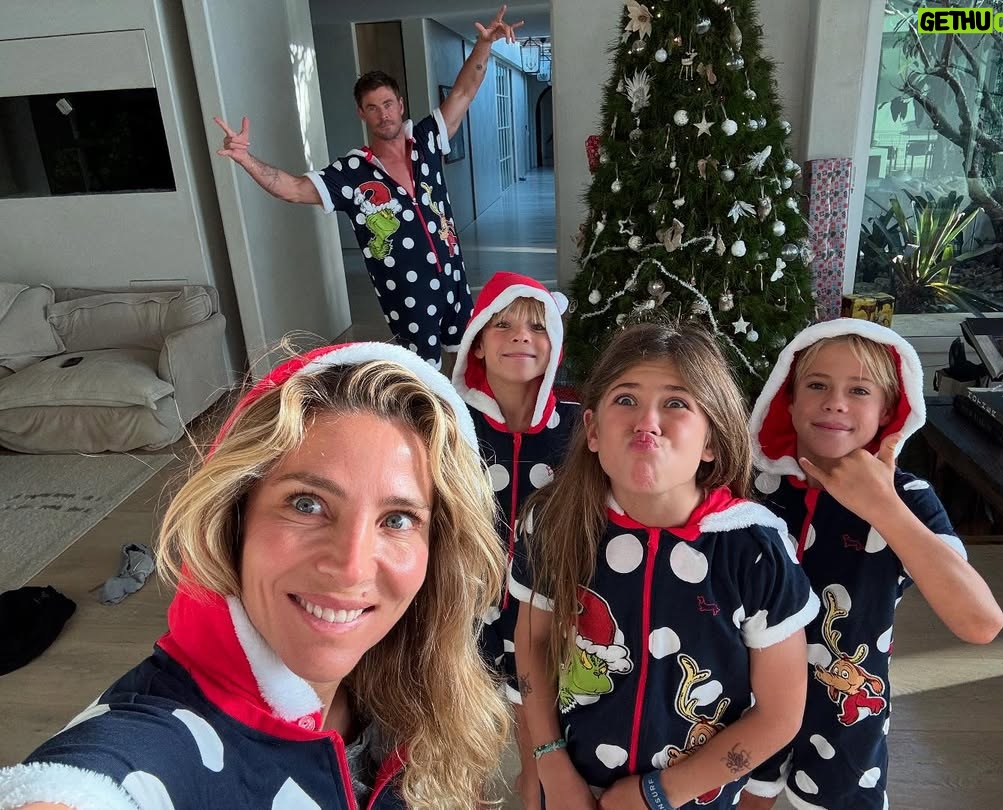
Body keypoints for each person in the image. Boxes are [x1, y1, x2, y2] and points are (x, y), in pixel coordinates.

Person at [0, 342, 511, 809]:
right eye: (307, 504)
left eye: (397, 520)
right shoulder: (157, 743)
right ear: (233, 519)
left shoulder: (417, 686)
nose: (351, 567)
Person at [512, 321, 821, 810]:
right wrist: (550, 762)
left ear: (711, 441)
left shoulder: (755, 549)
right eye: (626, 399)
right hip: (574, 788)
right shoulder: (551, 522)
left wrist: (657, 794)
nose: (647, 421)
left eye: (676, 403)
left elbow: (780, 714)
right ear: (592, 431)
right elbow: (534, 643)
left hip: (691, 798)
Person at [740, 319, 1003, 810]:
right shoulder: (747, 487)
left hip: (847, 710)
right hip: (744, 700)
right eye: (817, 385)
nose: (835, 402)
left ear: (887, 409)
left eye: (859, 390)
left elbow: (980, 623)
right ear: (787, 400)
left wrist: (883, 507)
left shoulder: (909, 497)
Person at [213, 6, 523, 368]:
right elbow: (292, 188)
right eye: (372, 107)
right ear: (362, 113)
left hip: (454, 278)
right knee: (423, 374)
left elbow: (464, 93)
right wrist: (245, 159)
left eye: (388, 104)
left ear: (401, 105)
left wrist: (484, 45)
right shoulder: (352, 172)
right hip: (407, 295)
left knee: (471, 357)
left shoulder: (426, 140)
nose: (383, 114)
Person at [451, 271, 579, 809]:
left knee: (538, 746)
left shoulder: (580, 429)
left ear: (554, 344)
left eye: (537, 326)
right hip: (464, 613)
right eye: (502, 324)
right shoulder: (452, 425)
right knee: (464, 745)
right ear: (478, 341)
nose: (521, 335)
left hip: (542, 618)